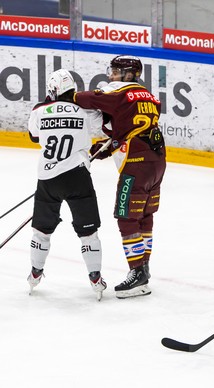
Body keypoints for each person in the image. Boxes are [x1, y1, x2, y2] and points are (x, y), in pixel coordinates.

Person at [74, 55, 166, 299]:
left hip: (136, 163)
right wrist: (110, 144)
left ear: (126, 74)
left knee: (126, 217)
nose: (110, 75)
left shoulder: (117, 91)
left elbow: (87, 98)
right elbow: (128, 129)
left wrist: (67, 96)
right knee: (145, 215)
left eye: (114, 71)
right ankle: (143, 267)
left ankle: (137, 272)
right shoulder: (151, 97)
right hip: (157, 161)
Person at [27, 69, 107, 301]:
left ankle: (35, 273)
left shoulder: (39, 110)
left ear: (52, 90)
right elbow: (106, 127)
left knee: (41, 231)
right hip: (78, 177)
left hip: (48, 179)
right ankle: (95, 277)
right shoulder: (84, 110)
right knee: (88, 232)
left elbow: (33, 136)